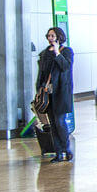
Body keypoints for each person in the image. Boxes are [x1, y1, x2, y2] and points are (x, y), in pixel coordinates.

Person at [37, 27, 74, 162]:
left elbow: (65, 67)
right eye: (48, 36)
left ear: (59, 37)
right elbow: (41, 74)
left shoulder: (67, 52)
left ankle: (66, 149)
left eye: (52, 36)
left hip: (61, 93)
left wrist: (58, 52)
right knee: (52, 123)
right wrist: (39, 89)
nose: (50, 38)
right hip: (48, 93)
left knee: (60, 122)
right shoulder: (45, 53)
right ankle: (58, 152)